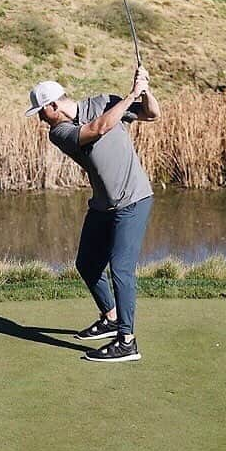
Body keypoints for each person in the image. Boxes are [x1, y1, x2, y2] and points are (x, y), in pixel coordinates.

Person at [25, 67, 160, 362]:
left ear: (54, 106)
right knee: (86, 263)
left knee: (121, 269)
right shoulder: (59, 132)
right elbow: (98, 128)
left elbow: (151, 115)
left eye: (40, 111)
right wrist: (130, 96)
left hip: (133, 199)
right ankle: (110, 317)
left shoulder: (103, 102)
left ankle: (127, 341)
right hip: (103, 204)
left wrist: (145, 91)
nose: (39, 118)